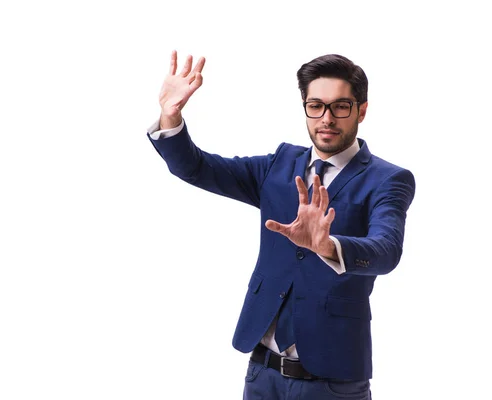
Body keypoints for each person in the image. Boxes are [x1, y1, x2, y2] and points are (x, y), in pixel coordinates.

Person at [147, 51, 415, 400]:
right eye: (316, 105)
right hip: (262, 373)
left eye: (341, 107)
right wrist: (171, 117)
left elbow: (386, 250)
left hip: (332, 382)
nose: (327, 118)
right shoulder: (279, 165)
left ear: (362, 110)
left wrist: (329, 246)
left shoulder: (387, 179)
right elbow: (197, 168)